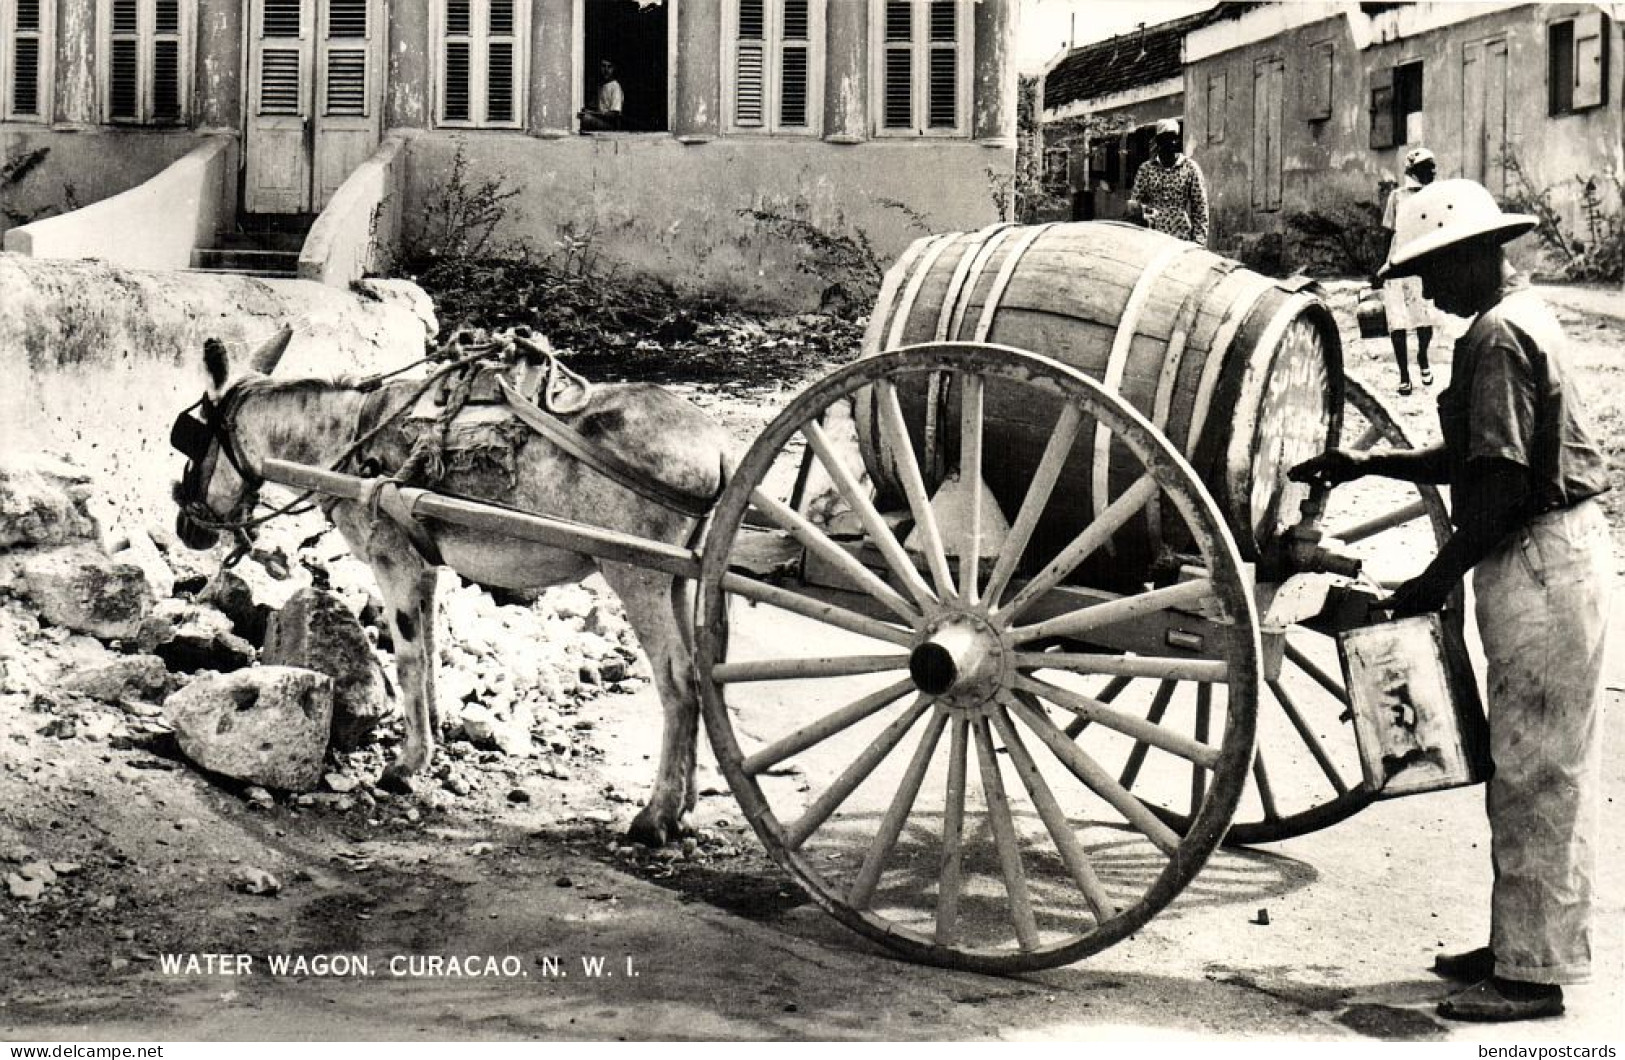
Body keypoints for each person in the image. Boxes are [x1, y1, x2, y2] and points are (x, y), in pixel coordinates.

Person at [1290, 179, 1613, 1023]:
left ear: (1475, 257)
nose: (1425, 292)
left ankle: (1530, 979)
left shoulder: (1499, 336)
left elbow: (1500, 487)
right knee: (1523, 764)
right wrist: (1368, 467)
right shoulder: (1519, 320)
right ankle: (1518, 944)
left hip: (1538, 558)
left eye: (1433, 271)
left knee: (1537, 774)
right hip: (1550, 551)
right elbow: (1475, 457)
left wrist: (1426, 585)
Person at [1379, 147, 1441, 394]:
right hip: (1397, 265)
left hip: (1422, 266)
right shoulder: (1397, 197)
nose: (1433, 171)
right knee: (1398, 322)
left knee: (1424, 319)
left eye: (1433, 166)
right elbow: (1387, 233)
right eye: (1427, 167)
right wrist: (1382, 267)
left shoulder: (1435, 196)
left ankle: (1423, 358)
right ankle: (1404, 375)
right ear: (1414, 171)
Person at [1126, 118, 1209, 246]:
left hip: (1181, 235)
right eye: (1167, 138)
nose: (1172, 142)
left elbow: (1200, 207)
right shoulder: (1146, 169)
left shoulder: (1190, 168)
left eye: (1175, 138)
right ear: (1158, 141)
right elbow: (1135, 204)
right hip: (1152, 235)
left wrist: (1199, 241)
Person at [579, 59, 624, 131]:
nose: (606, 70)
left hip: (610, 125)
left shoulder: (615, 86)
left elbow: (614, 114)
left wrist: (592, 113)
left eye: (609, 67)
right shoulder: (600, 86)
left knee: (586, 118)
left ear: (614, 69)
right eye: (603, 66)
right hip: (600, 121)